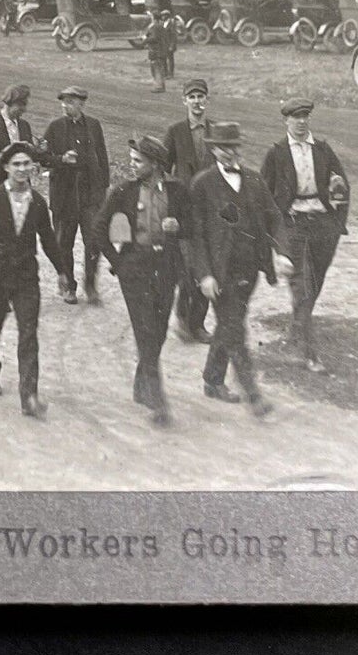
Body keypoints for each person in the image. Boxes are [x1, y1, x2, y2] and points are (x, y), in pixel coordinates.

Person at [93, 134, 190, 427]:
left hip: (167, 267)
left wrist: (179, 226)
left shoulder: (177, 191)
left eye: (138, 161)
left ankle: (141, 385)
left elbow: (195, 226)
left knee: (158, 332)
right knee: (146, 332)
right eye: (132, 160)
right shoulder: (123, 191)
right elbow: (99, 229)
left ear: (156, 164)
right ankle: (158, 400)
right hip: (135, 268)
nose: (131, 165)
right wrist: (119, 263)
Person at [0, 141, 69, 417]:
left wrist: (62, 271)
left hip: (26, 278)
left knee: (29, 334)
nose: (23, 169)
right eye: (17, 164)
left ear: (33, 168)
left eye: (27, 164)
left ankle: (29, 397)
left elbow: (48, 239)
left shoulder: (37, 203)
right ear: (6, 168)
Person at [187, 121, 282, 417]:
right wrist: (204, 274)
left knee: (231, 323)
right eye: (223, 148)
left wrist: (282, 252)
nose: (230, 153)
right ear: (213, 149)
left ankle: (212, 380)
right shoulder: (202, 184)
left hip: (249, 269)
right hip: (219, 272)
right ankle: (253, 395)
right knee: (234, 329)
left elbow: (274, 218)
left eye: (234, 147)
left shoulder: (254, 180)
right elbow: (195, 234)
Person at [260, 97, 351, 373]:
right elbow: (264, 196)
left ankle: (298, 326)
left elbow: (343, 187)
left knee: (316, 280)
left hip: (323, 224)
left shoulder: (322, 150)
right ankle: (309, 353)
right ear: (285, 121)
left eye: (305, 117)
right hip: (293, 224)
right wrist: (274, 236)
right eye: (295, 117)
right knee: (302, 286)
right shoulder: (276, 154)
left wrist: (337, 222)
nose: (301, 122)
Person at [42, 85, 110, 304]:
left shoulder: (94, 126)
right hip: (64, 194)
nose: (65, 106)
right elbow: (42, 157)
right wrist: (61, 159)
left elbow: (102, 158)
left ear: (81, 104)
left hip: (90, 195)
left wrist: (104, 189)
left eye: (70, 102)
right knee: (64, 243)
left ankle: (90, 285)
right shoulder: (54, 127)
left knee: (93, 242)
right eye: (63, 102)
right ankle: (69, 286)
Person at [163, 78, 218, 343]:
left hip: (210, 212)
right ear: (184, 100)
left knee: (207, 267)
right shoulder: (175, 131)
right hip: (184, 213)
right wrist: (170, 205)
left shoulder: (217, 131)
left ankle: (198, 324)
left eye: (201, 96)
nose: (197, 102)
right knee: (187, 270)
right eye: (192, 97)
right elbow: (164, 168)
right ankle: (183, 318)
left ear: (207, 100)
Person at [145, 5, 178, 92]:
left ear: (154, 18)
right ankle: (161, 86)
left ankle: (159, 87)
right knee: (160, 67)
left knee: (156, 69)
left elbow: (154, 38)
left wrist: (145, 39)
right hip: (162, 50)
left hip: (156, 51)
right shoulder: (161, 26)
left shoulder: (155, 26)